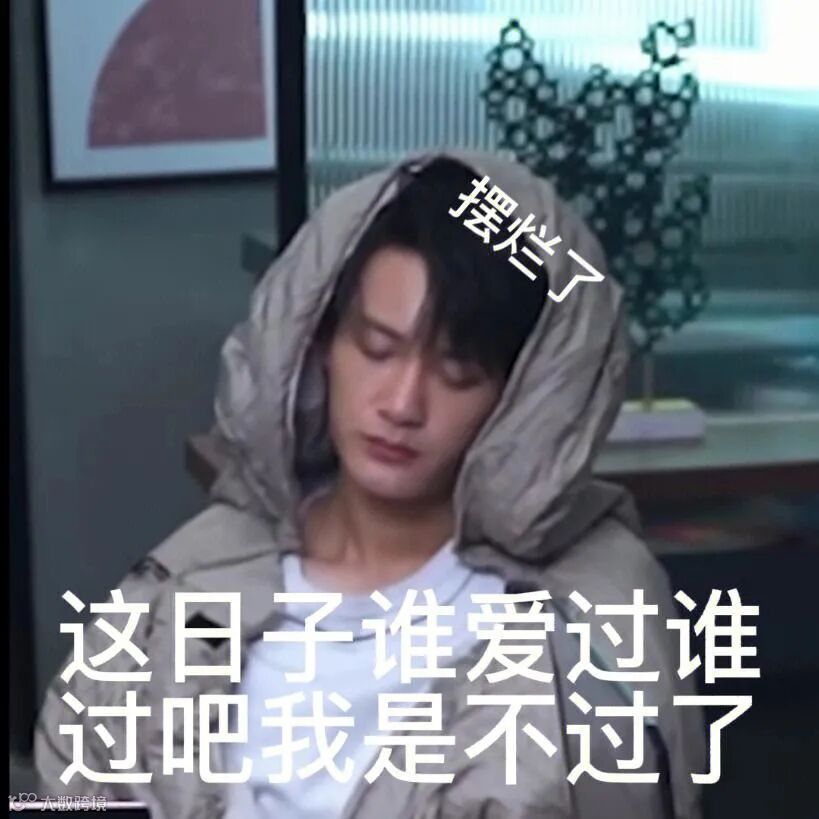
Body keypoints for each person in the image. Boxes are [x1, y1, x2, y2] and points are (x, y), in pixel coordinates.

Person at [35, 150, 705, 819]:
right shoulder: (193, 571)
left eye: (458, 372)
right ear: (318, 345)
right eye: (377, 348)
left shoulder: (587, 627)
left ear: (520, 399)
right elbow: (64, 788)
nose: (402, 403)